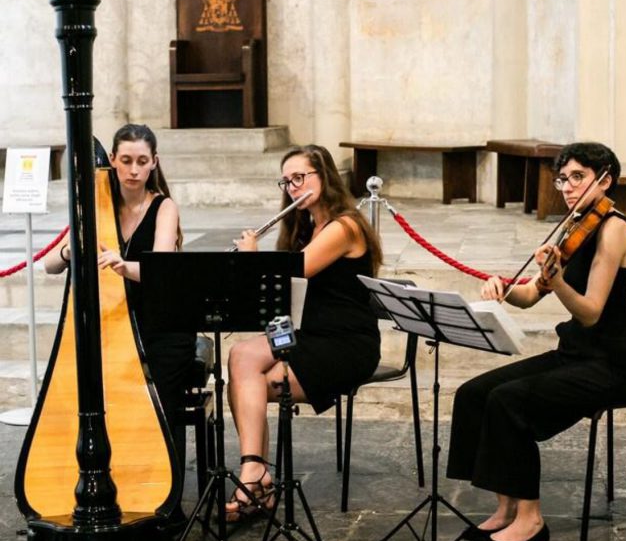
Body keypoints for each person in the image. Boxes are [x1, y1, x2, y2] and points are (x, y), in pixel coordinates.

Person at [446, 142, 626, 541]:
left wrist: (557, 282)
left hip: (611, 365)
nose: (567, 188)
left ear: (605, 179)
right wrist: (504, 289)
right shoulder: (577, 227)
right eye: (562, 178)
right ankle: (506, 508)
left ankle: (532, 520)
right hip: (575, 355)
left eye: (577, 177)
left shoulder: (613, 229)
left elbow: (589, 312)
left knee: (508, 401)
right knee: (474, 394)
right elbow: (532, 294)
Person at [225, 144, 383, 521]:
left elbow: (293, 273)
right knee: (240, 361)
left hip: (346, 344)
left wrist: (250, 256)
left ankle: (256, 478)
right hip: (311, 336)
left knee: (247, 379)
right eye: (287, 181)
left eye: (300, 178)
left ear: (324, 177)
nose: (293, 187)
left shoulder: (344, 227)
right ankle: (258, 475)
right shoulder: (307, 226)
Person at [44, 124, 195, 489]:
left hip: (162, 327)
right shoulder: (97, 203)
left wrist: (125, 267)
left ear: (153, 163)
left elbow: (160, 269)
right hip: (116, 325)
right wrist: (71, 251)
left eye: (142, 161)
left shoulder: (164, 207)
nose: (133, 170)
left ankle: (162, 492)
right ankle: (115, 480)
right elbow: (48, 265)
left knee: (155, 399)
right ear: (111, 161)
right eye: (125, 160)